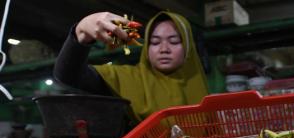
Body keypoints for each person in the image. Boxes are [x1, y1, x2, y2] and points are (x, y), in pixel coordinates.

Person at [54, 11, 209, 122]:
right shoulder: (126, 79)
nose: (163, 49)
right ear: (147, 48)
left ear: (188, 48)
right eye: (154, 42)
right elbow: (68, 75)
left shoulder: (199, 86)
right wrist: (81, 31)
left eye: (174, 41)